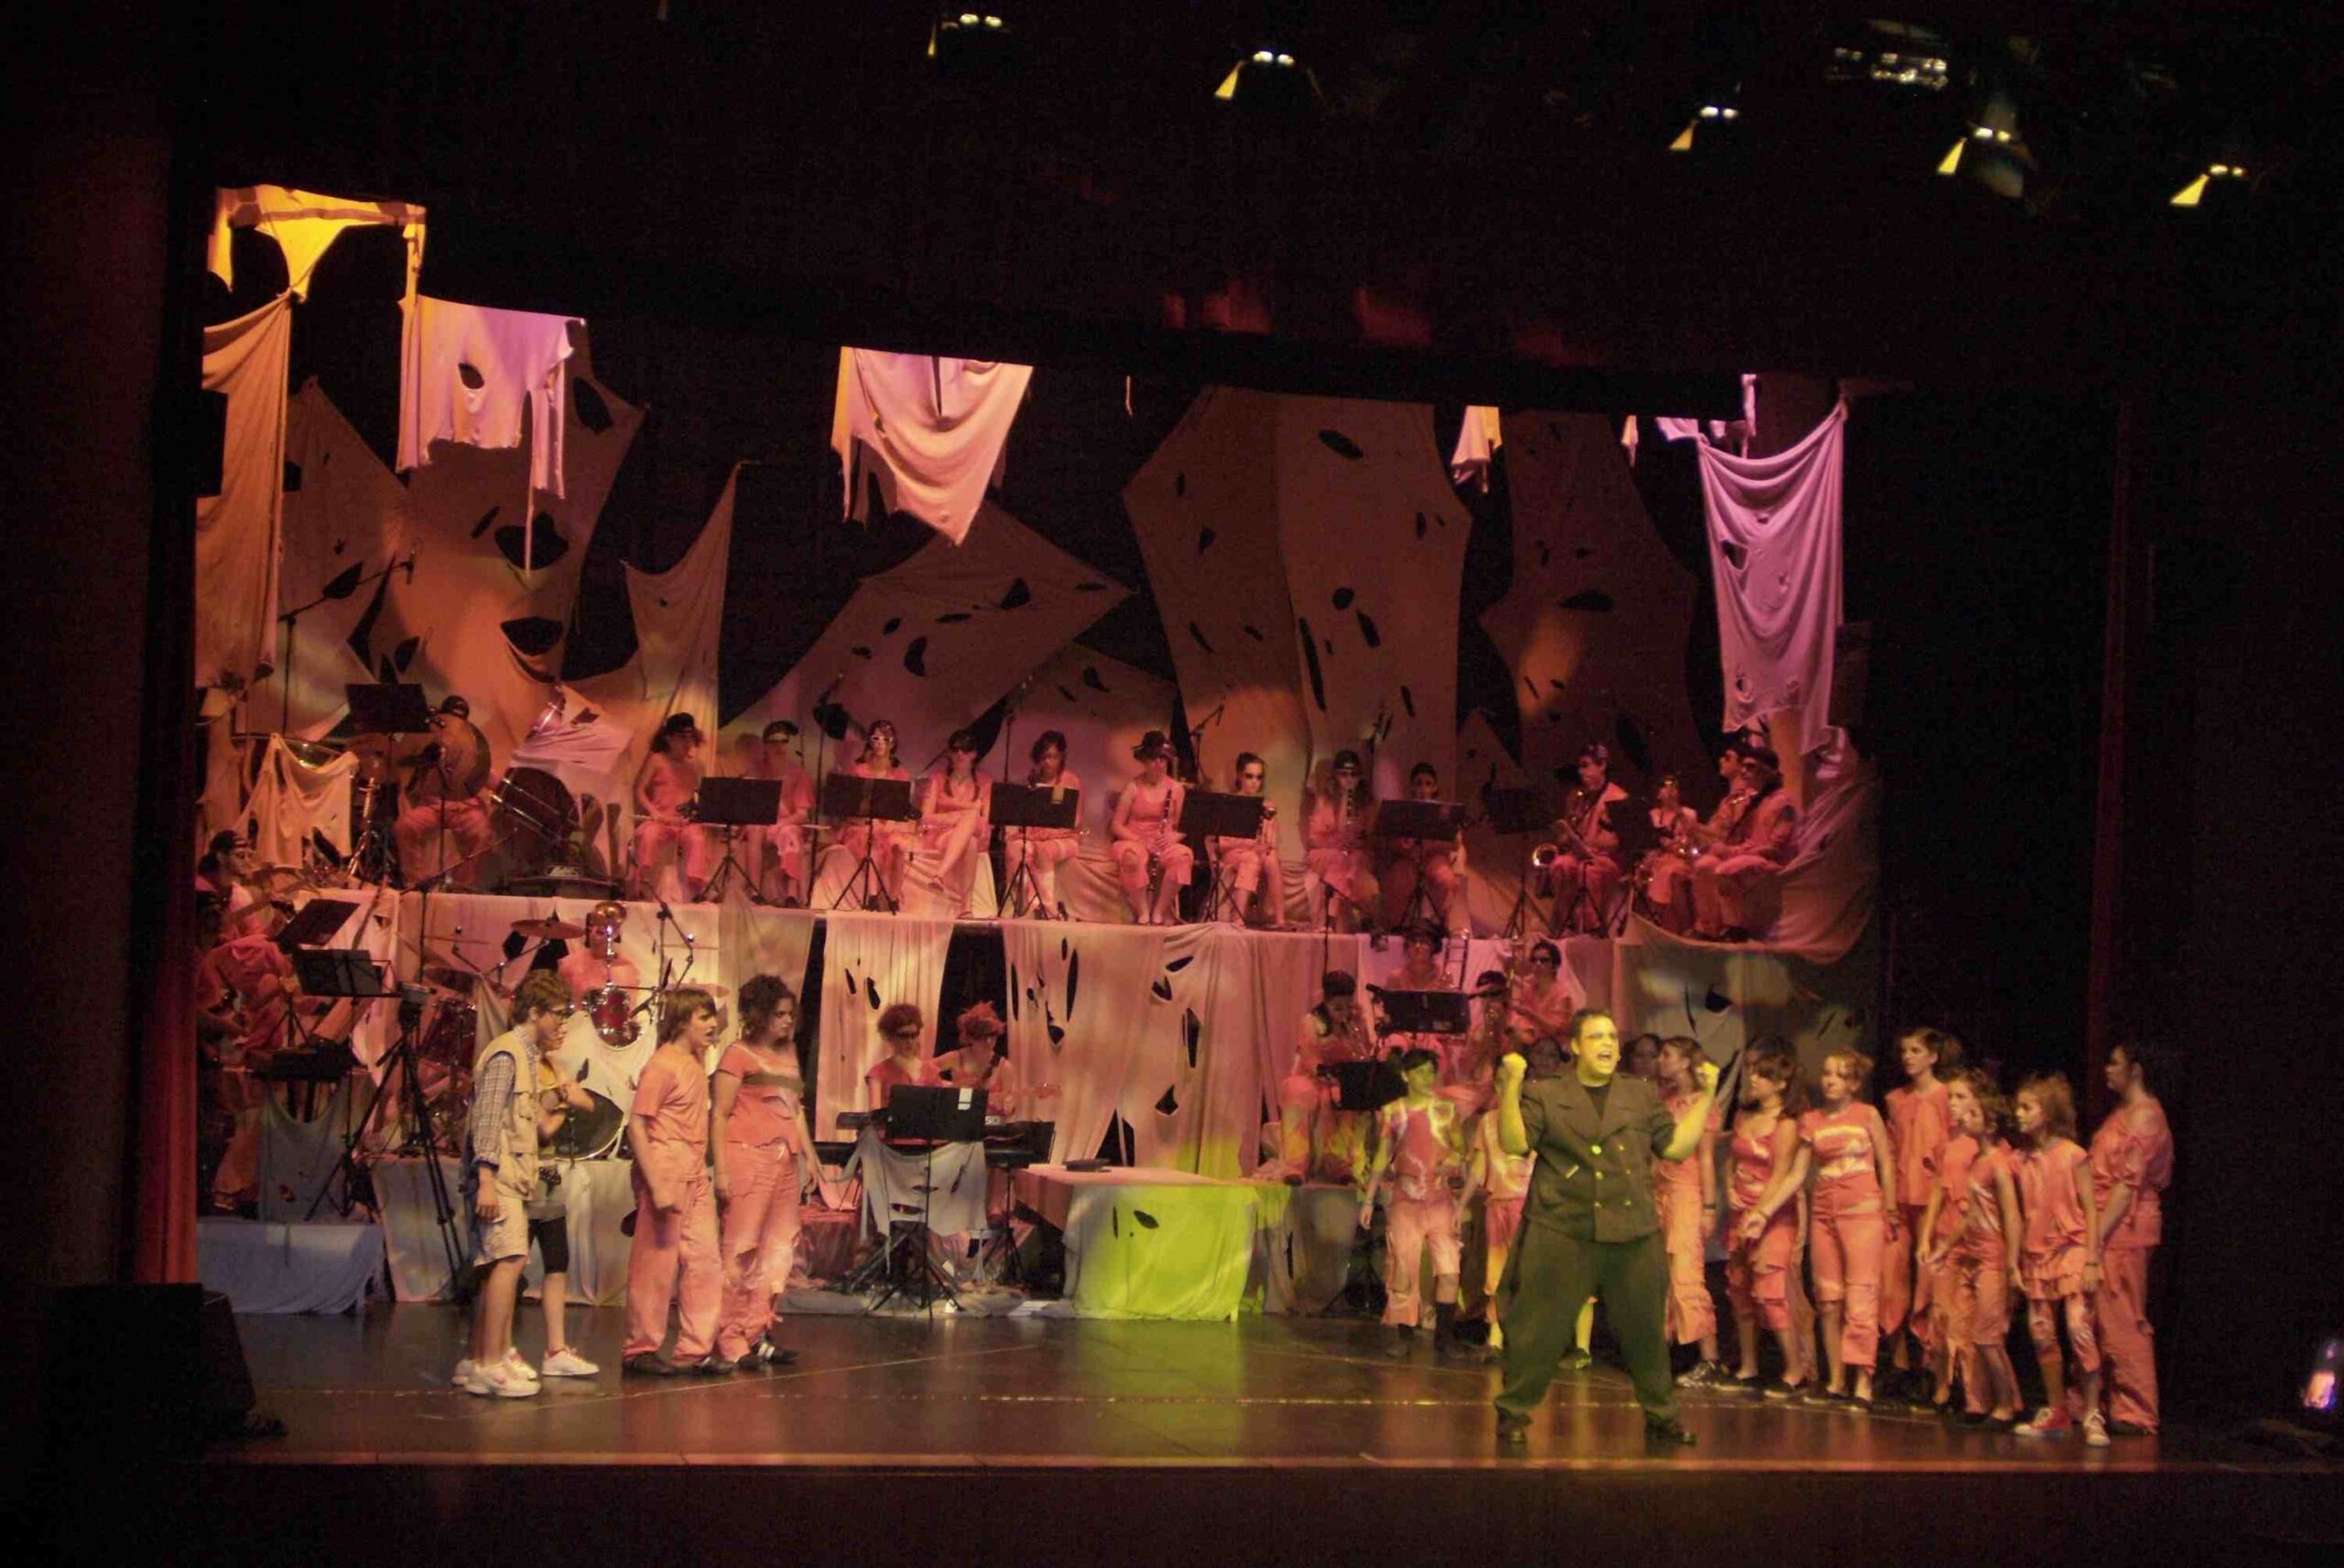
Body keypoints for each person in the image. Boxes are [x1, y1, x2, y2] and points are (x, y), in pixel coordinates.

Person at [1492, 1007, 1720, 1447]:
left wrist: (1707, 1095)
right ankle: (1514, 1410)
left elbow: (1675, 1147)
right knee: (1537, 1328)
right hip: (1562, 1225)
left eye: (1613, 1037)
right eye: (1597, 1037)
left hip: (1631, 1228)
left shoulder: (1640, 1094)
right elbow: (1515, 1143)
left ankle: (1662, 1415)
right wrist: (1513, 1085)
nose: (1607, 1045)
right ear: (1576, 1047)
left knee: (1646, 1330)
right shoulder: (1547, 1092)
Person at [455, 970, 574, 1398]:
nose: (562, 1023)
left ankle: (484, 1357)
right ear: (535, 1012)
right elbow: (486, 1121)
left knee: (502, 1265)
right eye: (557, 1014)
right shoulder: (506, 1053)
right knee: (507, 1261)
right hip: (499, 1176)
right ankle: (489, 1363)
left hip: (513, 1176)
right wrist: (486, 1178)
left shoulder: (525, 1056)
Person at [711, 975, 815, 1373]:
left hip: (784, 1160)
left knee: (778, 1249)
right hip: (747, 1156)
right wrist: (721, 1170)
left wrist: (809, 1157)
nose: (788, 1021)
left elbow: (796, 1109)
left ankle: (756, 1331)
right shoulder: (737, 1054)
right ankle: (729, 1336)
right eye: (779, 1014)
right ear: (759, 1015)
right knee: (741, 1247)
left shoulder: (788, 1054)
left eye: (790, 1014)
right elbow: (719, 1114)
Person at [623, 987, 723, 1376]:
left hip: (694, 1170)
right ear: (682, 1021)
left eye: (712, 1016)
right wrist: (656, 1183)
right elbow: (637, 1125)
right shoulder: (662, 1065)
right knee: (656, 1264)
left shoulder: (695, 1060)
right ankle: (640, 1348)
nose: (713, 1024)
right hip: (666, 1167)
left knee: (704, 1260)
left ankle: (695, 1348)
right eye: (704, 1017)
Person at [1796, 1050, 1898, 1410]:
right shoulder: (1811, 1120)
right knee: (1828, 1299)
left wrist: (1890, 1207)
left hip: (1862, 1211)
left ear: (1854, 1083)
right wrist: (1764, 1209)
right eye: (1827, 1073)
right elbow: (1797, 1173)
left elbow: (1886, 1163)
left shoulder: (1868, 1115)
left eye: (1840, 1075)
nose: (1830, 1081)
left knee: (1860, 1295)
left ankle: (1863, 1382)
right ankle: (1836, 1380)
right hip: (1824, 1211)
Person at [2011, 1073, 2108, 1445]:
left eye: (2027, 1107)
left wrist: (2092, 1260)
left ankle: (2093, 1412)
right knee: (2041, 1332)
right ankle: (2057, 1410)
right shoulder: (2021, 1160)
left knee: (2078, 1328)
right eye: (2018, 1107)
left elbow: (2090, 1208)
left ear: (2047, 1112)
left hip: (2071, 1250)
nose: (2019, 1114)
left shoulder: (2072, 1154)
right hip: (2037, 1255)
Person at [1925, 1069, 2024, 1428]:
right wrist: (1945, 1246)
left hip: (1993, 1257)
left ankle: (2008, 1404)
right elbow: (1970, 1216)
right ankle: (1981, 1401)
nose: (1964, 1118)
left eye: (1973, 1114)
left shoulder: (1999, 1163)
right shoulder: (1977, 1162)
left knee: (1987, 1335)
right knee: (1965, 1327)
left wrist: (2012, 1263)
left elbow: (2011, 1217)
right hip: (1972, 1254)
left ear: (1990, 1123)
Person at [1360, 1049, 1472, 1359]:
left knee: (1449, 1269)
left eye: (1430, 1071)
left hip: (1439, 1200)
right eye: (1419, 1072)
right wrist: (1369, 1199)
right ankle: (1404, 1334)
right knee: (1403, 1267)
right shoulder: (1394, 1112)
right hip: (1406, 1201)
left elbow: (1461, 1149)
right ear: (1405, 1076)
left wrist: (1453, 1161)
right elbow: (1383, 1156)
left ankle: (1444, 1338)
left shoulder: (1446, 1110)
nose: (1426, 1077)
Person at [2090, 1040, 2175, 1436]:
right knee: (2099, 1315)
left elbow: (2127, 1186)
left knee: (2123, 1315)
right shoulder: (2122, 1114)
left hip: (2125, 1226)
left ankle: (2137, 1408)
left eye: (2115, 1063)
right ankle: (2098, 1398)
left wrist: (2096, 1236)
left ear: (2136, 1070)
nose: (2108, 1069)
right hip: (2108, 1222)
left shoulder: (2146, 1118)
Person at [1723, 1036, 1812, 1399]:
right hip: (1740, 1209)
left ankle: (1794, 1369)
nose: (1754, 1080)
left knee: (1770, 1291)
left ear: (1780, 1084)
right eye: (1753, 1074)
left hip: (1772, 1213)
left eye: (1762, 1076)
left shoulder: (1787, 1123)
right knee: (1739, 1289)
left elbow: (1781, 1174)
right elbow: (1732, 1159)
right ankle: (1748, 1366)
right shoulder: (1744, 1116)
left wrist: (1761, 1211)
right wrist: (1728, 1188)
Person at [1883, 1027, 1959, 1401]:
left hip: (1934, 1200)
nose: (1908, 1057)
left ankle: (1931, 1366)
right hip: (1900, 1197)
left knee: (1930, 1282)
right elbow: (1890, 1150)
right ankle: (1899, 1364)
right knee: (1891, 1279)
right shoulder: (1896, 1100)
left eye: (1916, 1051)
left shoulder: (1946, 1097)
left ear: (1933, 1056)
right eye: (1904, 1051)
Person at [1653, 1037, 1726, 1385]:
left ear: (1685, 1062)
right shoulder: (1665, 1101)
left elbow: (1706, 1158)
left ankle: (1710, 1360)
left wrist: (1709, 1207)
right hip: (1660, 1191)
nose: (1660, 1060)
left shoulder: (1703, 1103)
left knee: (1686, 1274)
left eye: (1667, 1055)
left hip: (1686, 1193)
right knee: (1661, 1277)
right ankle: (1662, 1356)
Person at [1272, 972, 1375, 1182]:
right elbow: (1310, 1058)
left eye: (1348, 1007)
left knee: (1345, 1096)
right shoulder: (1311, 1022)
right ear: (1326, 1002)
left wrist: (1359, 1026)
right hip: (1315, 1077)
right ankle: (1295, 1166)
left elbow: (1364, 1054)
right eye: (1337, 1008)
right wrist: (1328, 1076)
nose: (1343, 1013)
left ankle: (1339, 1164)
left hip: (1343, 1079)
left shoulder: (1355, 1023)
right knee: (1298, 1092)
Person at [1689, 744, 1796, 942]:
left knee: (1727, 869)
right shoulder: (1752, 802)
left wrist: (1731, 852)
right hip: (1749, 855)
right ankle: (1709, 929)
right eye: (1744, 766)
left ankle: (1736, 930)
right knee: (1704, 865)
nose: (1743, 771)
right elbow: (1741, 839)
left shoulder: (1783, 802)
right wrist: (1725, 848)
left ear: (1767, 771)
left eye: (1750, 767)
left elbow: (1774, 849)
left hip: (1770, 861)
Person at [395, 695, 494, 888]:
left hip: (464, 809)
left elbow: (489, 776)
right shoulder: (426, 743)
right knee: (404, 827)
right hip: (432, 807)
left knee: (482, 833)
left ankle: (463, 885)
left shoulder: (470, 747)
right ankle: (416, 882)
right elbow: (405, 767)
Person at [1543, 743, 1628, 934]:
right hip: (1584, 856)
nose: (1581, 772)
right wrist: (1567, 833)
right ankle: (1569, 924)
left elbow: (1620, 842)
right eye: (1580, 767)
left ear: (1602, 765)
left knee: (1587, 870)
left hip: (1609, 860)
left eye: (1586, 765)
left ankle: (1592, 929)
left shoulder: (1618, 797)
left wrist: (1588, 843)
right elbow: (1575, 834)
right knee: (1560, 865)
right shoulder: (1582, 798)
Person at [1109, 730, 1191, 925]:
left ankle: (1159, 911)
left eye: (1162, 759)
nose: (1159, 764)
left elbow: (1184, 826)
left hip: (1164, 842)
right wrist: (1141, 841)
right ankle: (1143, 911)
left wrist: (1172, 838)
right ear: (1145, 761)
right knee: (1131, 858)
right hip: (1135, 840)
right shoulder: (1133, 787)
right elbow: (1117, 825)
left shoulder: (1176, 789)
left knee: (1184, 857)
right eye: (1153, 759)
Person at [1381, 762, 1469, 937]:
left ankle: (1441, 926)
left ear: (1435, 788)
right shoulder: (1403, 810)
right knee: (1397, 881)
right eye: (1419, 783)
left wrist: (1429, 847)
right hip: (1409, 859)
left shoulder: (1444, 811)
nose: (1423, 788)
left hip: (1435, 859)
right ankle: (1397, 928)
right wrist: (1407, 847)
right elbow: (1392, 842)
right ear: (1412, 787)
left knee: (1447, 881)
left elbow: (1454, 841)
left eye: (1428, 784)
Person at [631, 712, 710, 903]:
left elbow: (702, 795)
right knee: (649, 836)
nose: (687, 743)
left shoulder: (696, 765)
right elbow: (639, 790)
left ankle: (696, 891)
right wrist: (654, 812)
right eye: (682, 738)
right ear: (669, 738)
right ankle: (642, 887)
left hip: (685, 822)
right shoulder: (657, 759)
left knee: (697, 839)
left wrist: (695, 811)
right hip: (661, 819)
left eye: (690, 738)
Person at [1002, 730, 1081, 918]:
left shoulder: (1070, 781)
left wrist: (1047, 834)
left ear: (1061, 756)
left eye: (1053, 757)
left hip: (1066, 839)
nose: (1048, 762)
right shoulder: (1033, 780)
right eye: (1044, 757)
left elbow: (1075, 820)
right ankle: (1030, 904)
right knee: (1018, 849)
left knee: (1042, 850)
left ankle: (1047, 906)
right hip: (1036, 837)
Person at [836, 719, 914, 908]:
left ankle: (893, 898)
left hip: (889, 826)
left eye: (885, 739)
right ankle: (872, 897)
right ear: (870, 741)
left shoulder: (900, 774)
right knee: (872, 840)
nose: (880, 743)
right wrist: (871, 822)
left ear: (892, 743)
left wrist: (890, 824)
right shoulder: (859, 771)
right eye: (876, 738)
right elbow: (850, 809)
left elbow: (901, 809)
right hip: (861, 826)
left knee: (899, 846)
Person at [1303, 750, 1380, 933]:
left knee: (1353, 866)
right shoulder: (1324, 800)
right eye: (1344, 774)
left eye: (1354, 775)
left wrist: (1360, 841)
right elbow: (1314, 838)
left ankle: (1331, 922)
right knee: (1340, 863)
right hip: (1326, 852)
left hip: (1356, 855)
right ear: (1335, 776)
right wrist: (1344, 798)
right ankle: (1364, 919)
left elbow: (1372, 837)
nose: (1349, 779)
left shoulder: (1367, 802)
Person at [917, 728, 992, 916]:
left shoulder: (984, 782)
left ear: (974, 754)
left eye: (965, 749)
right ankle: (966, 907)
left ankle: (940, 875)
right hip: (940, 836)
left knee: (972, 834)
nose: (960, 754)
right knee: (970, 830)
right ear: (950, 753)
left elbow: (986, 821)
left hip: (974, 834)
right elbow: (925, 818)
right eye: (955, 749)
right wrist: (960, 816)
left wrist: (956, 810)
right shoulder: (937, 779)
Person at [1209, 751, 1284, 927]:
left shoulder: (1267, 805)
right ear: (1240, 776)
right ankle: (1238, 918)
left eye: (1259, 777)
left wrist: (1264, 846)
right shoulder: (1230, 802)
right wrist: (1251, 846)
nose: (1255, 782)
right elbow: (1221, 842)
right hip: (1234, 853)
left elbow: (1270, 839)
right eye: (1249, 776)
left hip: (1256, 851)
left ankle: (1280, 918)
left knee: (1272, 858)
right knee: (1251, 859)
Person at [757, 720, 818, 906]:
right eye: (774, 742)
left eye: (783, 742)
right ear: (765, 745)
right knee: (754, 831)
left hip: (787, 825)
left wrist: (783, 823)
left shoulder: (797, 773)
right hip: (762, 826)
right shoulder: (757, 771)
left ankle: (792, 895)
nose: (779, 747)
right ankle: (753, 891)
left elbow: (803, 814)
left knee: (790, 834)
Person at [1506, 939, 1575, 1044]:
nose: (1537, 964)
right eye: (1534, 960)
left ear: (1555, 966)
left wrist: (1530, 1014)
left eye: (1544, 960)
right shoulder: (1530, 990)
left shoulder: (1562, 995)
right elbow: (1521, 1021)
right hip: (1532, 1042)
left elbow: (1555, 1031)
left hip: (1553, 1047)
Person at [863, 1002, 931, 1108]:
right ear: (890, 1037)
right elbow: (875, 1111)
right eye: (903, 1036)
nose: (909, 1041)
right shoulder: (878, 1073)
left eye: (914, 1035)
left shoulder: (930, 1071)